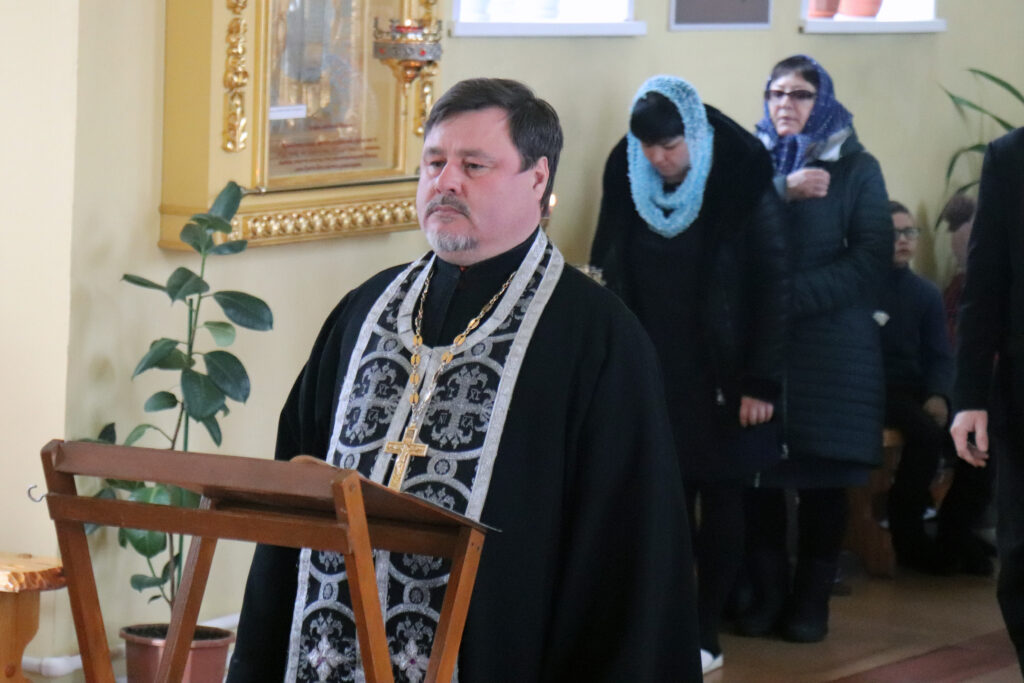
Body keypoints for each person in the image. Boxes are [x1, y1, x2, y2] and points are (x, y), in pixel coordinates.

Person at [227, 78, 701, 682]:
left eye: (473, 165)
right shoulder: (364, 313)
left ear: (537, 178)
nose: (445, 182)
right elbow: (290, 504)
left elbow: (628, 559)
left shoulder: (599, 339)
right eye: (434, 163)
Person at [589, 75, 787, 675]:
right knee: (661, 502)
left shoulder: (739, 173)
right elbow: (606, 261)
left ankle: (706, 631)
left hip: (723, 375)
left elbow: (772, 282)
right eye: (649, 147)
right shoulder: (626, 170)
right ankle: (662, 625)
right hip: (654, 371)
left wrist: (761, 380)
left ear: (694, 136)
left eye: (670, 146)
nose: (659, 159)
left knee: (721, 498)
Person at [740, 54, 891, 643]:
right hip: (765, 350)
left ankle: (811, 603)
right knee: (761, 478)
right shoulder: (752, 163)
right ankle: (768, 594)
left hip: (833, 352)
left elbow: (871, 257)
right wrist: (781, 190)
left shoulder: (857, 167)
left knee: (823, 480)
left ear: (822, 101)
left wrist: (787, 296)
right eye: (776, 93)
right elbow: (730, 231)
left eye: (800, 94)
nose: (786, 104)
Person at [949, 126, 1024, 670]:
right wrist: (968, 396)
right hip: (1020, 392)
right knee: (1019, 560)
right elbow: (984, 285)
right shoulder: (1010, 157)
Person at [879, 200, 955, 573]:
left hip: (917, 389)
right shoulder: (859, 287)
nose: (904, 240)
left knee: (976, 432)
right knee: (925, 434)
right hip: (876, 390)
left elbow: (940, 354)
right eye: (894, 233)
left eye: (910, 232)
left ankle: (956, 531)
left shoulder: (925, 293)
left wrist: (939, 394)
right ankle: (906, 531)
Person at [934, 193, 996, 575]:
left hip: (981, 386)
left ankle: (960, 533)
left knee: (981, 472)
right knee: (978, 468)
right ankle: (954, 535)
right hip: (969, 391)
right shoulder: (960, 290)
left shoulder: (961, 288)